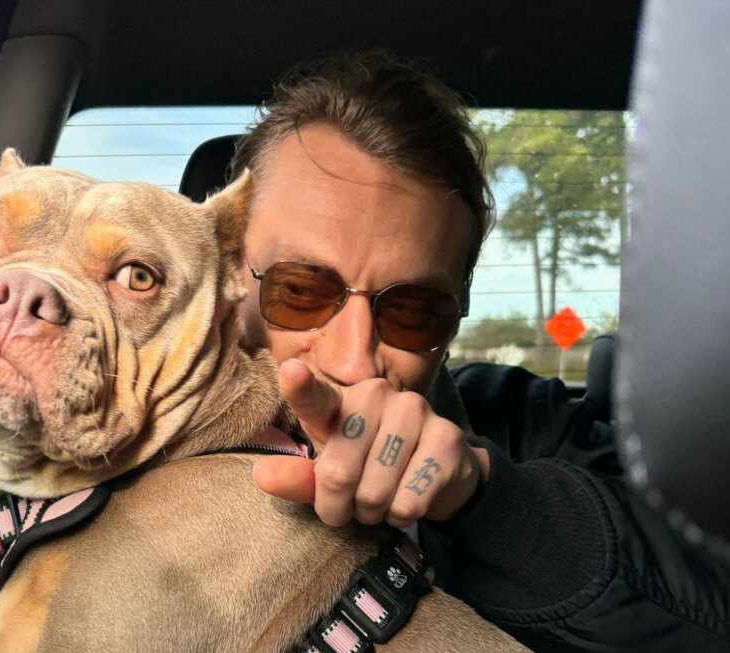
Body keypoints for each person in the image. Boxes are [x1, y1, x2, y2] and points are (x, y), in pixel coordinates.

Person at [229, 50, 729, 651]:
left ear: (457, 313)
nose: (354, 362)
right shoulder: (138, 447)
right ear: (228, 274)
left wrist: (489, 504)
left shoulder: (527, 424)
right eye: (301, 291)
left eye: (413, 310)